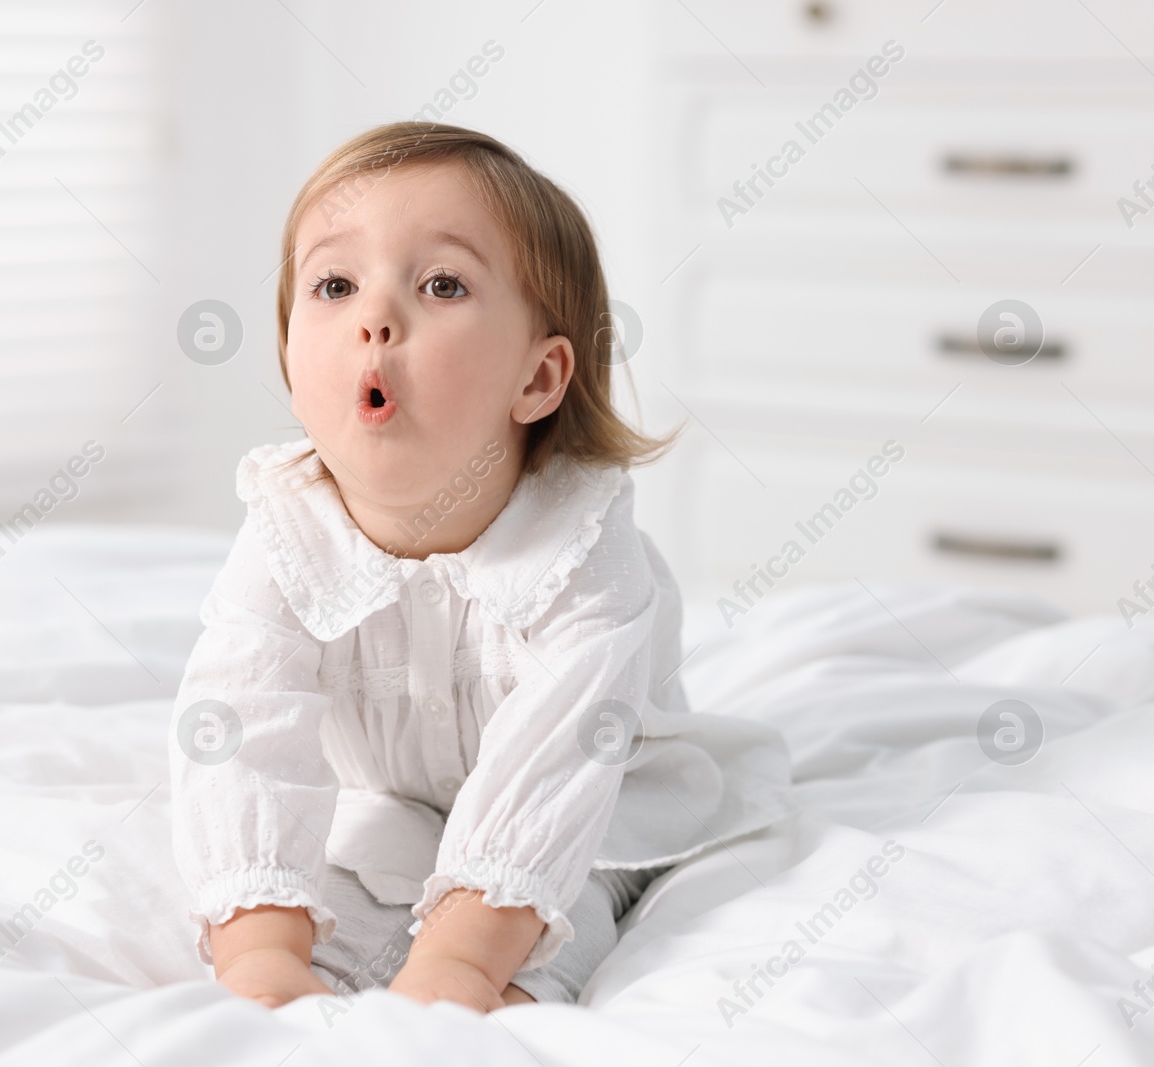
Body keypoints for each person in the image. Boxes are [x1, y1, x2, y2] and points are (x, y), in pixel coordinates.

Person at [168, 121, 796, 1012]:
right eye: (335, 284)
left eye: (442, 284)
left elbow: (559, 764)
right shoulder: (284, 527)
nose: (374, 318)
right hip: (387, 801)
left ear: (538, 380)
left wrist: (460, 965)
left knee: (557, 918)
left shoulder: (582, 550)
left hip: (589, 804)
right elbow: (240, 734)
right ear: (288, 356)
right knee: (331, 918)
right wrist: (262, 944)